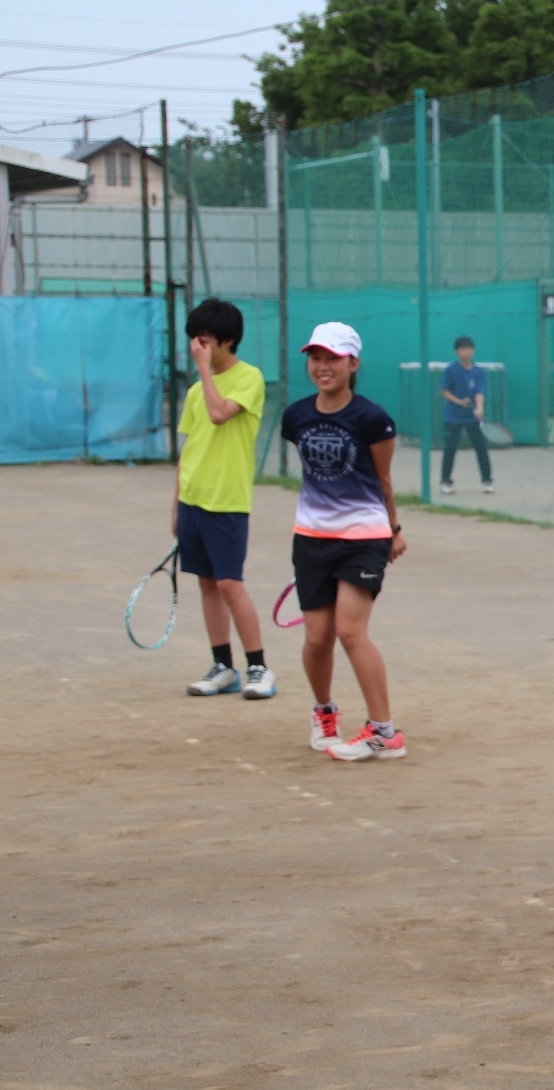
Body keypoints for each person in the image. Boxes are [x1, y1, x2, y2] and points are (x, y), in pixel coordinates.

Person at [281, 322, 410, 761]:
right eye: (315, 357)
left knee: (350, 631)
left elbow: (383, 478)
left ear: (352, 363)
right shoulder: (295, 416)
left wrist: (392, 530)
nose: (322, 366)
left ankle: (384, 732)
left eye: (333, 358)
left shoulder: (373, 418)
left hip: (363, 538)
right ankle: (324, 713)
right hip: (311, 539)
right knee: (317, 638)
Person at [173, 298, 275, 700]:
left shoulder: (250, 378)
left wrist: (203, 370)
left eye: (204, 340)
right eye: (194, 340)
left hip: (228, 502)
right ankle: (222, 667)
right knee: (207, 585)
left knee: (231, 583)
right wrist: (175, 506)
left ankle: (258, 668)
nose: (197, 347)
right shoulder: (197, 391)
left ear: (227, 340)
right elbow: (190, 449)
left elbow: (219, 414)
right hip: (192, 502)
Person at [438, 336, 492, 495]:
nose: (466, 352)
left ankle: (487, 481)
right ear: (457, 352)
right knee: (450, 449)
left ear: (473, 351)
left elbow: (479, 392)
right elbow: (444, 391)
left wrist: (479, 408)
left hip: (472, 418)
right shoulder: (450, 370)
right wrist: (459, 402)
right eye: (462, 349)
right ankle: (445, 482)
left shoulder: (478, 371)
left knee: (481, 448)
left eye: (468, 349)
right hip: (452, 417)